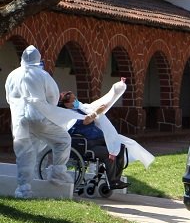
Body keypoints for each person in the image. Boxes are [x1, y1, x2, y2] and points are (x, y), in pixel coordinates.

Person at [4, 45, 77, 198]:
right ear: (38, 59)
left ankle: (24, 189)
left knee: (25, 154)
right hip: (38, 118)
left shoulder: (12, 75)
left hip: (19, 121)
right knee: (63, 140)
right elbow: (54, 97)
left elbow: (8, 98)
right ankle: (57, 173)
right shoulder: (42, 75)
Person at [59, 91, 129, 190]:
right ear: (66, 104)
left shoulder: (80, 109)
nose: (76, 101)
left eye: (76, 98)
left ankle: (116, 179)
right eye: (73, 100)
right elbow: (86, 121)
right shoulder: (69, 115)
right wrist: (97, 112)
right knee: (109, 153)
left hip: (98, 139)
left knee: (119, 147)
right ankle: (112, 181)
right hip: (88, 145)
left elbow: (91, 111)